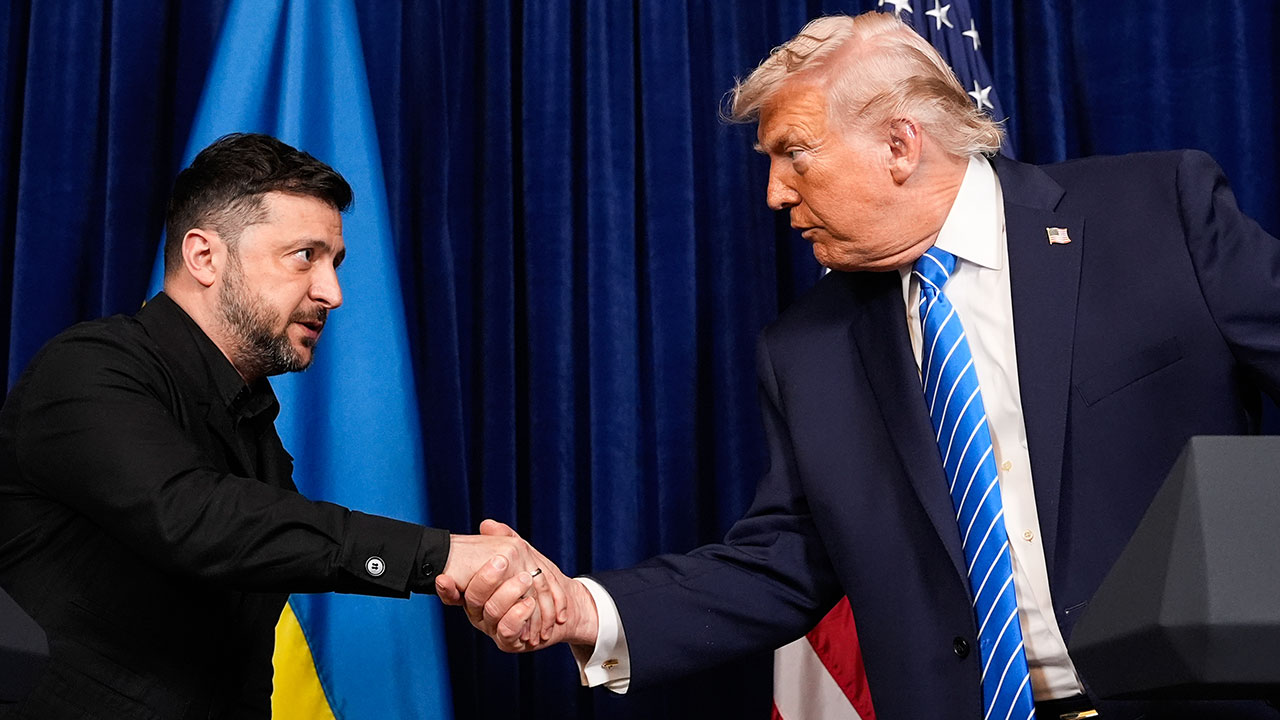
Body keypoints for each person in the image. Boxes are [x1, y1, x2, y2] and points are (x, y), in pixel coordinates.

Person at [444, 12, 1280, 720]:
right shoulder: (807, 350)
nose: (774, 191)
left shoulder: (1157, 212)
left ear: (899, 143)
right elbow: (783, 563)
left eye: (794, 153)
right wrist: (583, 608)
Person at [0, 133, 563, 718]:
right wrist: (441, 556)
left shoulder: (253, 425)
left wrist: (478, 584)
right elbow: (196, 519)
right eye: (304, 256)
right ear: (204, 256)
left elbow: (262, 580)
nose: (333, 293)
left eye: (335, 262)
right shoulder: (88, 366)